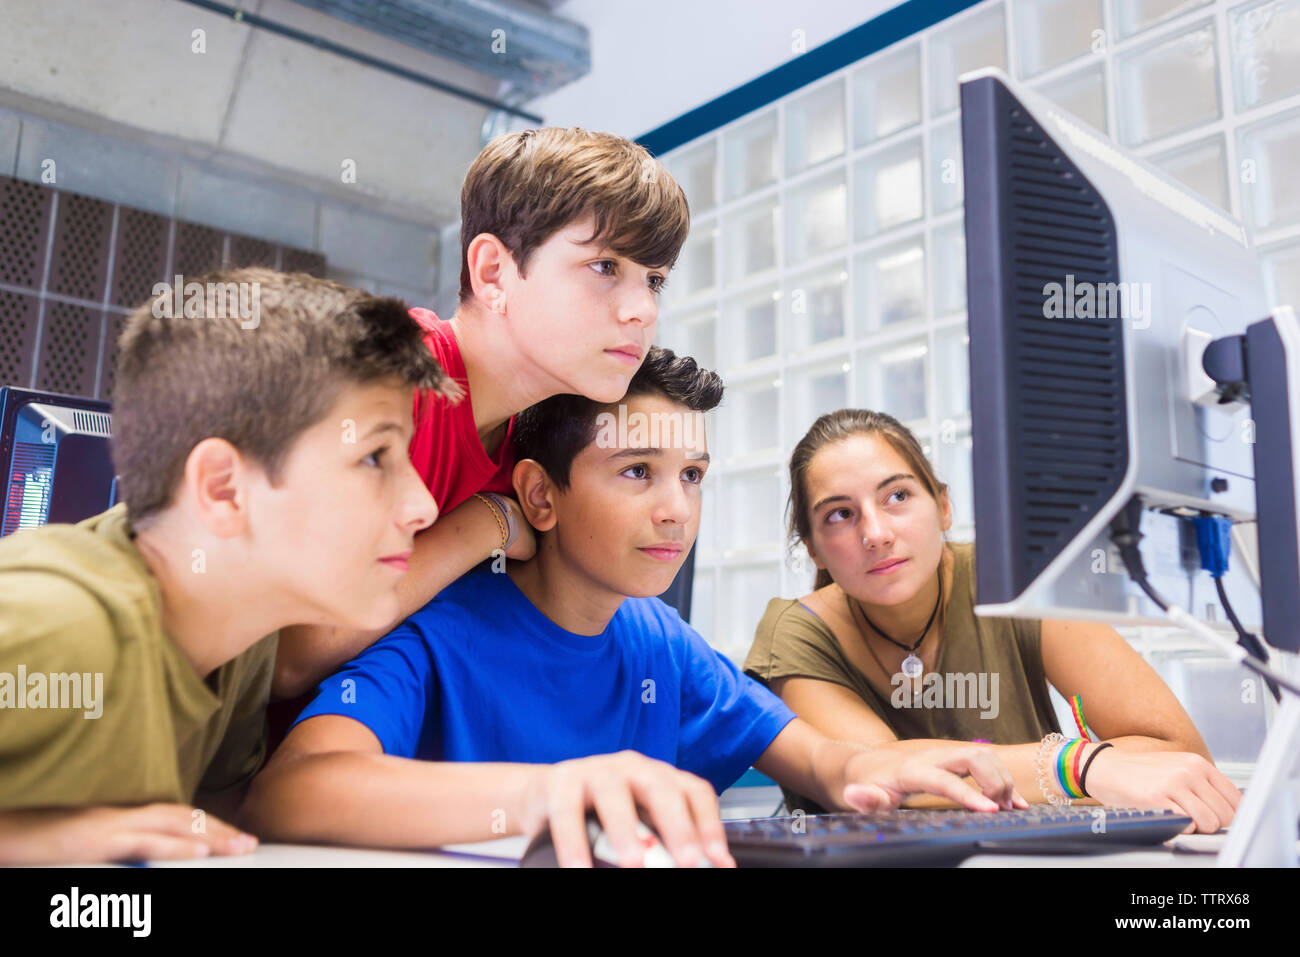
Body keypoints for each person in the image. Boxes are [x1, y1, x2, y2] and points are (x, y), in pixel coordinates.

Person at [242, 350, 1025, 867]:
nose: (676, 509)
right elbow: (288, 789)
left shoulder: (661, 642)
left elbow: (820, 762)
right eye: (637, 471)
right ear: (540, 496)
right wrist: (544, 794)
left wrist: (880, 766)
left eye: (692, 475)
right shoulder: (442, 628)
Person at [0, 269, 452, 865]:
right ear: (222, 489)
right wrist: (44, 843)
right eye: (375, 457)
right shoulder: (59, 624)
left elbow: (226, 826)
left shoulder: (241, 638)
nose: (423, 505)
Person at [273, 127, 690, 699]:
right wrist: (486, 524)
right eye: (604, 266)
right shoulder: (389, 375)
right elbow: (294, 654)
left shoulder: (538, 441)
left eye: (655, 280)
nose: (643, 309)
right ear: (493, 272)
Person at [744, 408, 1242, 833]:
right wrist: (1078, 767)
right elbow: (884, 783)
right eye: (839, 514)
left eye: (897, 496)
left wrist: (1080, 774)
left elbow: (1180, 756)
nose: (875, 533)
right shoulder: (796, 632)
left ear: (943, 507)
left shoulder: (1015, 581)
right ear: (814, 549)